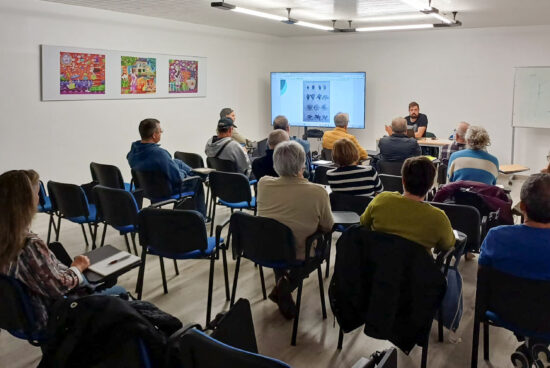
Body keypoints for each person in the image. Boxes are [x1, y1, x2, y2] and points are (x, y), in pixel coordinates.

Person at [0, 170, 124, 330]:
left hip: (20, 314)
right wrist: (77, 267)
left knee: (59, 251)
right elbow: (59, 288)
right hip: (52, 314)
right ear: (25, 202)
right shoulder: (28, 244)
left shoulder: (7, 239)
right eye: (37, 194)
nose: (39, 199)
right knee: (120, 291)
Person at [478, 173, 550, 366]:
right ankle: (536, 345)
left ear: (523, 206)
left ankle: (530, 346)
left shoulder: (496, 237)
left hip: (504, 312)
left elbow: (482, 275)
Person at [257, 141, 334, 319]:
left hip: (263, 248)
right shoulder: (317, 192)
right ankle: (286, 286)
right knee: (323, 249)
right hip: (298, 253)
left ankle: (282, 284)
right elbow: (328, 226)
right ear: (303, 164)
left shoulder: (263, 183)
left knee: (279, 241)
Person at [360, 156, 455, 253]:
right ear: (431, 185)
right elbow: (448, 245)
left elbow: (363, 223)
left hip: (375, 263)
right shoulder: (438, 218)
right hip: (414, 267)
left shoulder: (381, 200)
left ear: (403, 180)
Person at [127, 118, 206, 215]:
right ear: (154, 135)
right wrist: (185, 173)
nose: (161, 133)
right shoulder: (159, 154)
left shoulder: (133, 152)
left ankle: (198, 174)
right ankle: (202, 217)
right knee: (197, 181)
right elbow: (177, 178)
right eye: (160, 131)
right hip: (164, 190)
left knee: (177, 162)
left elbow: (165, 166)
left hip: (147, 187)